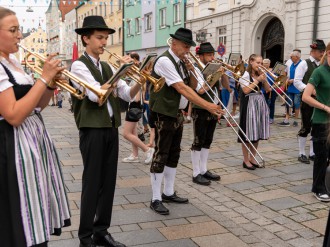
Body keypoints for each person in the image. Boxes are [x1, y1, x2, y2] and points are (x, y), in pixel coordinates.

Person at [0, 7, 71, 247]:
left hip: (31, 140)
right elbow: (13, 115)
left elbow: (36, 107)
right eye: (13, 30)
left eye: (19, 29)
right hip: (13, 146)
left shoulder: (13, 63)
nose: (20, 35)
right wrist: (42, 79)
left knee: (36, 204)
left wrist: (50, 85)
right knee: (19, 216)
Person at [70, 16, 141, 247]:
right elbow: (96, 95)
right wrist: (120, 71)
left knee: (108, 182)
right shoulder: (79, 65)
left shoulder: (108, 66)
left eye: (106, 38)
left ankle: (102, 231)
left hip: (110, 128)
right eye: (100, 38)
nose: (104, 42)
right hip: (92, 130)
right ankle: (85, 237)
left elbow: (127, 95)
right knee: (92, 183)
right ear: (86, 38)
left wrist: (141, 78)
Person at [148, 28, 223, 215]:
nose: (187, 50)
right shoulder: (165, 60)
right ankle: (155, 198)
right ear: (174, 43)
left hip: (177, 113)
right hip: (163, 113)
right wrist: (208, 105)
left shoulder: (182, 62)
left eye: (189, 46)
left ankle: (168, 191)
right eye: (185, 46)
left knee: (174, 153)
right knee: (161, 153)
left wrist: (191, 71)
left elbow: (194, 88)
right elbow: (181, 88)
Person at [190, 42, 223, 186]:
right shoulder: (195, 69)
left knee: (208, 140)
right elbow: (200, 90)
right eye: (209, 55)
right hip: (201, 108)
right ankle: (195, 172)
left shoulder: (213, 67)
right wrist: (213, 76)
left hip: (213, 107)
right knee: (198, 140)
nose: (211, 57)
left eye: (212, 54)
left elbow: (221, 89)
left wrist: (222, 74)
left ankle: (204, 169)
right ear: (201, 56)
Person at [302, 41, 330, 202]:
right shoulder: (319, 72)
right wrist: (325, 107)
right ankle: (317, 188)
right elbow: (306, 96)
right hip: (321, 121)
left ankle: (326, 185)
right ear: (328, 53)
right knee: (322, 156)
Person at [294, 39, 325, 164]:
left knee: (316, 126)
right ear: (314, 51)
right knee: (306, 126)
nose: (322, 54)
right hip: (307, 99)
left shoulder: (323, 64)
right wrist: (309, 90)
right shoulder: (304, 64)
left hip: (320, 100)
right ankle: (301, 152)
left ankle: (312, 152)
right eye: (320, 52)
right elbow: (297, 81)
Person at [238, 54, 270, 170]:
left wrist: (264, 80)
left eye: (261, 63)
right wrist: (257, 80)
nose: (260, 65)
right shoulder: (244, 74)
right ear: (251, 62)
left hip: (259, 104)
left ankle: (253, 158)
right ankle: (245, 160)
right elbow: (246, 90)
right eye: (258, 62)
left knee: (256, 132)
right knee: (247, 133)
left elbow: (267, 89)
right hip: (248, 104)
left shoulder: (259, 74)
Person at [122, 82, 154, 163]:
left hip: (133, 107)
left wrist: (125, 97)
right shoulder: (138, 79)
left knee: (126, 134)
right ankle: (135, 155)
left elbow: (136, 98)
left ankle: (147, 150)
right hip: (135, 107)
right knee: (133, 133)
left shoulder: (135, 80)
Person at [278, 50, 302, 127]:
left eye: (292, 57)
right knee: (288, 103)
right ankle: (287, 119)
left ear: (297, 57)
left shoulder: (302, 64)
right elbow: (286, 73)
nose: (291, 58)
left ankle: (295, 120)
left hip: (297, 87)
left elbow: (303, 76)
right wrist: (287, 80)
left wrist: (294, 80)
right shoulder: (291, 64)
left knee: (296, 104)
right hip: (290, 86)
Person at [262, 58, 277, 124]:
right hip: (264, 89)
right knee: (265, 104)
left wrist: (271, 87)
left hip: (273, 89)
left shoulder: (273, 71)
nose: (265, 64)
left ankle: (271, 117)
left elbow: (277, 80)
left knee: (272, 104)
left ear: (269, 64)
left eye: (266, 63)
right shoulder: (261, 71)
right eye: (264, 63)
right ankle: (265, 117)